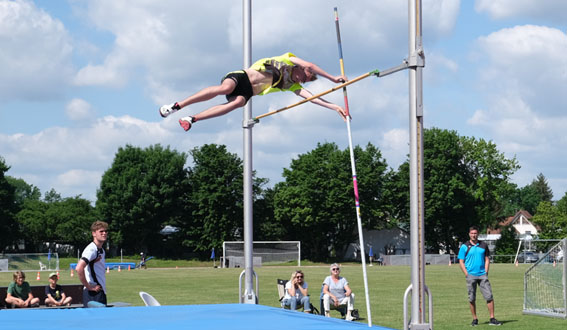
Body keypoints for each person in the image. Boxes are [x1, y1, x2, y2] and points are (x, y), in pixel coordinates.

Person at [158, 52, 348, 131]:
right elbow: (311, 65)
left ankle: (191, 119)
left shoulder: (292, 86)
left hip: (249, 91)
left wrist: (334, 107)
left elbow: (312, 98)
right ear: (303, 70)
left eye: (304, 81)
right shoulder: (289, 59)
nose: (301, 80)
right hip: (242, 77)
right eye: (303, 77)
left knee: (239, 102)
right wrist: (333, 78)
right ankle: (176, 106)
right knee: (226, 88)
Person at [458, 226, 502, 326]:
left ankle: (492, 318)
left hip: (482, 275)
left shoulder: (483, 245)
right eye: (472, 233)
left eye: (475, 233)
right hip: (471, 275)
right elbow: (461, 261)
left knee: (489, 296)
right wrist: (466, 273)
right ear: (469, 234)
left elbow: (487, 259)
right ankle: (475, 319)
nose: (474, 235)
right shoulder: (465, 246)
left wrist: (486, 272)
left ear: (478, 234)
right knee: (471, 298)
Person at [76, 220, 109, 307]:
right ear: (94, 233)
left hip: (100, 291)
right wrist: (88, 286)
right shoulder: (91, 249)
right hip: (93, 293)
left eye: (106, 231)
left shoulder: (101, 250)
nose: (104, 233)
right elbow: (79, 268)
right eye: (101, 231)